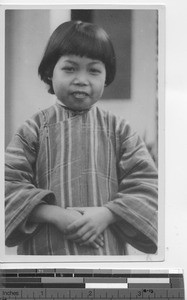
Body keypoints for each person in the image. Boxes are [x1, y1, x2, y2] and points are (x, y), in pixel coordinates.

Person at [5, 20, 158, 255]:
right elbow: (8, 184)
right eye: (70, 68)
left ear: (106, 77)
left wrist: (108, 214)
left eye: (94, 70)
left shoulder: (120, 130)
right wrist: (54, 214)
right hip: (46, 256)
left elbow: (146, 185)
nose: (81, 79)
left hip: (105, 256)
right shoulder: (33, 129)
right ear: (49, 72)